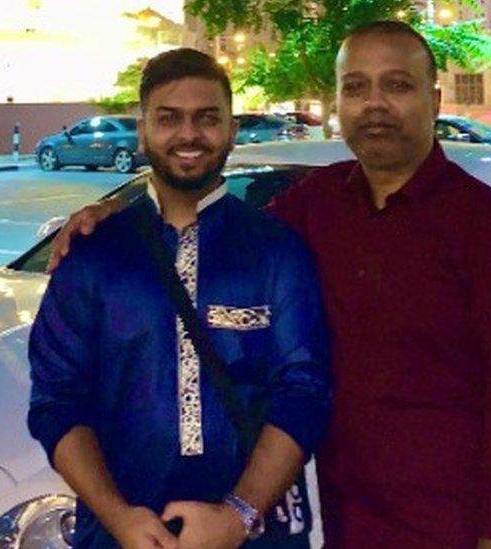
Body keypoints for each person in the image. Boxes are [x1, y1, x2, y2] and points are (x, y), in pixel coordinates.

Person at [47, 21, 491, 549]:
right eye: (355, 87)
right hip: (344, 515)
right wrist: (116, 215)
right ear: (337, 102)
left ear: (436, 98)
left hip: (448, 523)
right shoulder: (319, 204)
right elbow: (208, 222)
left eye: (397, 85)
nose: (374, 104)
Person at [27, 48, 331, 549]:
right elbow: (55, 402)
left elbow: (304, 392)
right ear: (143, 131)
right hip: (119, 535)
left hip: (255, 534)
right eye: (169, 119)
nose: (189, 135)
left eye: (207, 119)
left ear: (231, 130)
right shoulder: (94, 254)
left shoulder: (276, 251)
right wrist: (120, 518)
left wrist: (238, 516)